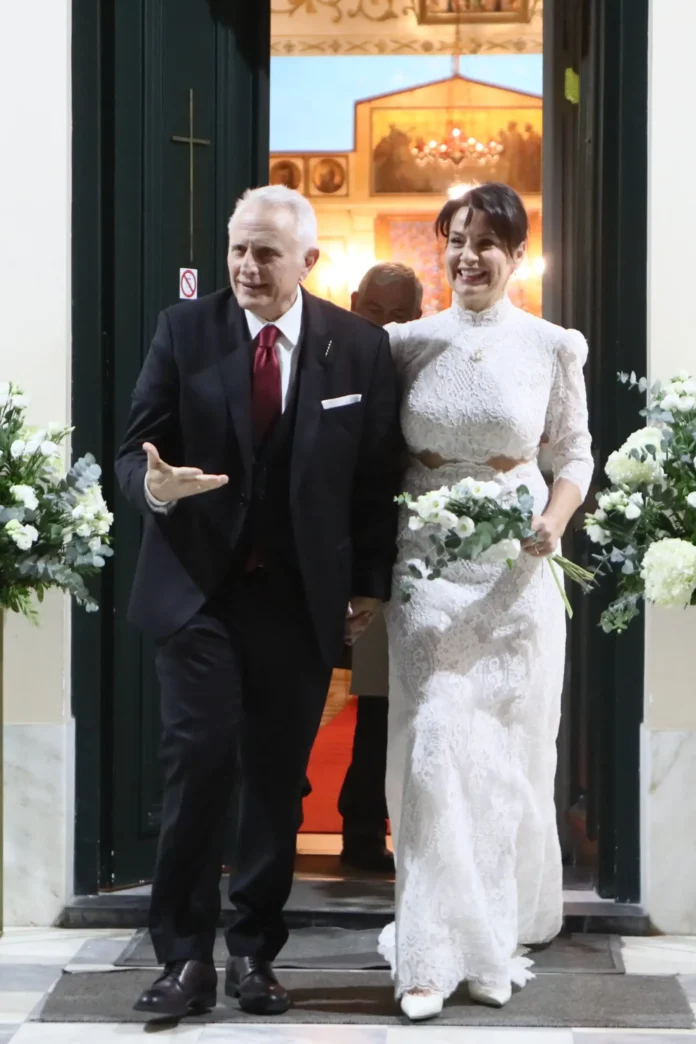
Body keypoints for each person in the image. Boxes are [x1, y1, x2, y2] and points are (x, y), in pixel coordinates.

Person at [115, 184, 401, 1019]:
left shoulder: (358, 348)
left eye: (265, 252)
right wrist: (157, 488)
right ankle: (183, 959)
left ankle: (253, 954)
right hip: (196, 593)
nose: (246, 265)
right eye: (238, 248)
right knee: (199, 761)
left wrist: (368, 584)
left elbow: (375, 478)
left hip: (299, 598)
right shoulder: (184, 330)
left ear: (307, 260)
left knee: (277, 780)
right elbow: (133, 452)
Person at [378, 182, 593, 1021]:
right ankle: (426, 955)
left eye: (485, 243)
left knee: (501, 763)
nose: (467, 257)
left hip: (513, 574)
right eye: (455, 240)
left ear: (517, 254)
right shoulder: (405, 344)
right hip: (427, 570)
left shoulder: (550, 345)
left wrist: (552, 522)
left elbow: (573, 454)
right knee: (434, 745)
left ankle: (489, 940)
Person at [337, 263, 423, 875]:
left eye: (400, 315)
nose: (387, 327)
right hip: (323, 549)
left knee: (380, 701)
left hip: (399, 552)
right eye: (375, 312)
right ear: (353, 303)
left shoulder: (426, 366)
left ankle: (364, 827)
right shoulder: (325, 355)